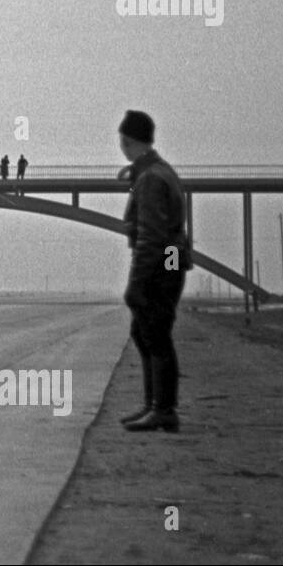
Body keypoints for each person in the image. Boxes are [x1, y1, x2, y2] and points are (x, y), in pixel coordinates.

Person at [117, 110, 189, 433]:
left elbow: (150, 238)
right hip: (172, 257)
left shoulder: (149, 180)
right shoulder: (159, 172)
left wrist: (136, 284)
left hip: (163, 261)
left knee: (155, 331)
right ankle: (156, 406)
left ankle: (162, 409)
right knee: (149, 330)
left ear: (126, 141)